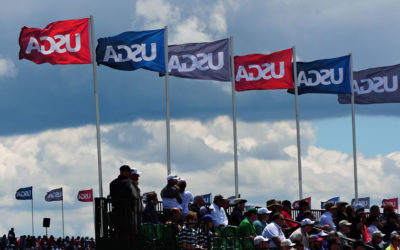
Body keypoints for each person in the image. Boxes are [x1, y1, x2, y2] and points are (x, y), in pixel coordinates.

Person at [109, 165, 137, 248]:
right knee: (131, 236)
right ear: (125, 172)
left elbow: (112, 195)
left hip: (116, 213)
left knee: (119, 235)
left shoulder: (112, 183)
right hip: (128, 214)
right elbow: (135, 196)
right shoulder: (130, 182)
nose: (129, 174)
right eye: (129, 172)